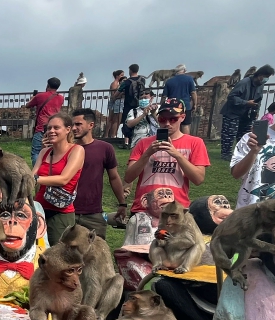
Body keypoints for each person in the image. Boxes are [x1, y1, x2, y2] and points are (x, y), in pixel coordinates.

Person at [125, 98, 209, 214]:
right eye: (162, 119)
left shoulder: (195, 142)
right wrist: (147, 154)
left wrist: (177, 155)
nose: (167, 123)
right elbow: (128, 177)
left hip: (176, 210)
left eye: (173, 119)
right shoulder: (144, 143)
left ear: (182, 117)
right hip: (144, 209)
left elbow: (198, 179)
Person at [71, 109, 127, 237]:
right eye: (72, 124)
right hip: (67, 212)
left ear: (91, 125)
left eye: (78, 124)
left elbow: (113, 177)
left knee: (96, 254)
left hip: (93, 213)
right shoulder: (67, 148)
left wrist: (122, 203)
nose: (74, 128)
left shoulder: (105, 148)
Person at [32, 113, 84, 246]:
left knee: (58, 255)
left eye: (56, 128)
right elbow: (31, 176)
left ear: (68, 129)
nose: (51, 131)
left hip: (61, 212)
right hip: (39, 209)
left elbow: (64, 179)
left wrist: (36, 179)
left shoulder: (77, 150)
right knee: (37, 251)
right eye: (49, 128)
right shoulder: (45, 152)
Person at [220, 64, 275, 160]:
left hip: (247, 113)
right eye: (266, 77)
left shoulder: (260, 85)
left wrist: (256, 110)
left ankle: (241, 152)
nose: (266, 79)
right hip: (233, 112)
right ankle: (226, 154)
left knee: (244, 134)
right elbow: (231, 97)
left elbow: (259, 99)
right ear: (260, 75)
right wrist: (246, 103)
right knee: (229, 134)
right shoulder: (244, 82)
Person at [27, 78, 64, 164]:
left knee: (36, 152)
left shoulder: (40, 96)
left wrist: (32, 99)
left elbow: (28, 105)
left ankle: (37, 172)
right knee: (52, 151)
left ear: (48, 85)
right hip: (55, 127)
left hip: (41, 127)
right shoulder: (61, 98)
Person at [163, 65, 197, 133]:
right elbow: (193, 92)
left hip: (172, 106)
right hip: (185, 105)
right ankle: (186, 142)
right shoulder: (189, 79)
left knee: (172, 124)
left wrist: (162, 106)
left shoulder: (169, 81)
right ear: (184, 70)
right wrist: (195, 104)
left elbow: (164, 96)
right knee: (185, 125)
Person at [118, 65, 145, 146]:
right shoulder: (142, 80)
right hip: (140, 104)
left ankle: (127, 142)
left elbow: (118, 92)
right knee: (139, 121)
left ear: (130, 71)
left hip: (128, 104)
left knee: (126, 122)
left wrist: (114, 96)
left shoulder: (126, 82)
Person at [106, 69, 125, 138]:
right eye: (121, 75)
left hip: (116, 102)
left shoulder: (118, 83)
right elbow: (113, 95)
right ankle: (108, 134)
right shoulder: (115, 83)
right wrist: (121, 94)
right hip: (114, 102)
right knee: (112, 119)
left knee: (115, 119)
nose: (122, 76)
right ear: (117, 76)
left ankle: (112, 134)